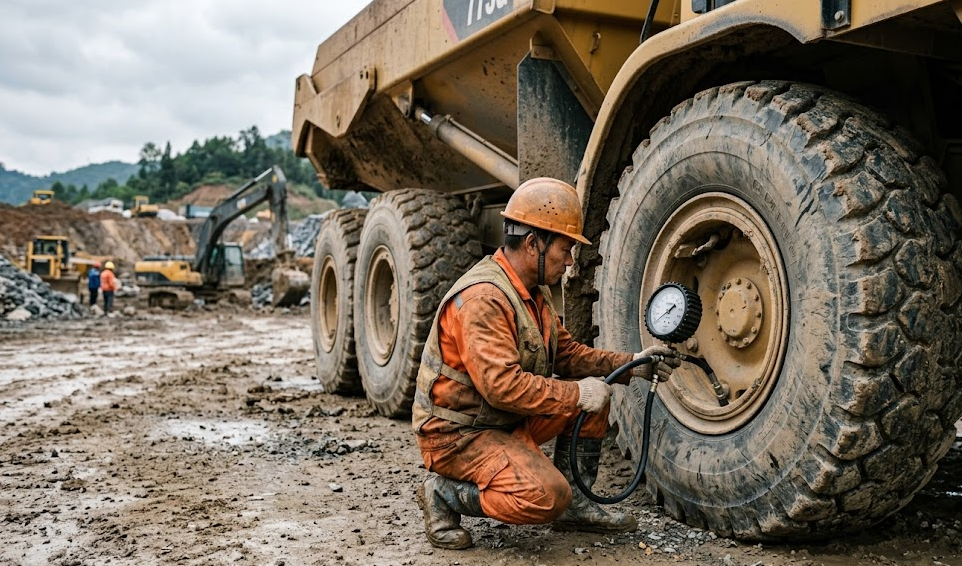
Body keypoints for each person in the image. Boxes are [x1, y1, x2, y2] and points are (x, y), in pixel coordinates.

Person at [412, 177, 681, 550]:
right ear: (533, 243)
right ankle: (444, 493)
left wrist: (632, 364)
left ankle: (579, 505)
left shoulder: (532, 294)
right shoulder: (484, 299)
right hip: (459, 436)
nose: (570, 261)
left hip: (500, 419)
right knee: (546, 497)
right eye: (565, 249)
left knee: (595, 397)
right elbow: (502, 387)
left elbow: (568, 356)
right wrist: (575, 395)